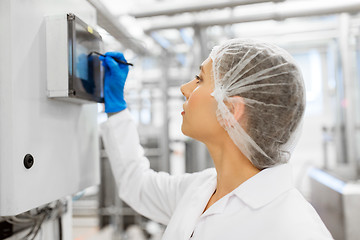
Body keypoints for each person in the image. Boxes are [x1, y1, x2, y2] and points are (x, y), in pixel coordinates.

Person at [99, 39, 333, 240]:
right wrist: (117, 110)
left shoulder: (295, 229)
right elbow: (137, 185)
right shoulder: (200, 190)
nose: (184, 88)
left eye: (199, 79)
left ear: (231, 110)